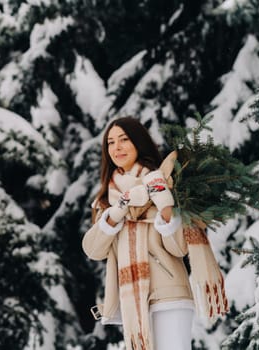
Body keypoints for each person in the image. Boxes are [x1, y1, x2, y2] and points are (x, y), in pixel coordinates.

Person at [82, 116, 228, 350]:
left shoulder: (164, 181)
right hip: (134, 303)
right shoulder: (109, 199)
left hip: (170, 296)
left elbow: (178, 247)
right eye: (110, 142)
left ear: (138, 142)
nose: (116, 148)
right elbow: (93, 249)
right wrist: (120, 209)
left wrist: (165, 205)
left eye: (123, 140)